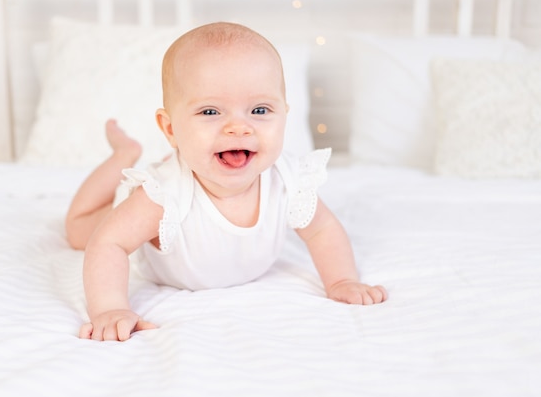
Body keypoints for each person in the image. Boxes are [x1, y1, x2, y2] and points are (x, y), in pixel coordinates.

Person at [65, 22, 387, 342]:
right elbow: (109, 244)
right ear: (171, 128)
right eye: (210, 112)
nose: (238, 128)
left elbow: (322, 230)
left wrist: (342, 280)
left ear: (284, 115)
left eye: (259, 110)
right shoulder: (162, 197)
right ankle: (124, 154)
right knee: (79, 230)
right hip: (159, 193)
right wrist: (109, 308)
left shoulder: (288, 181)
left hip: (192, 159)